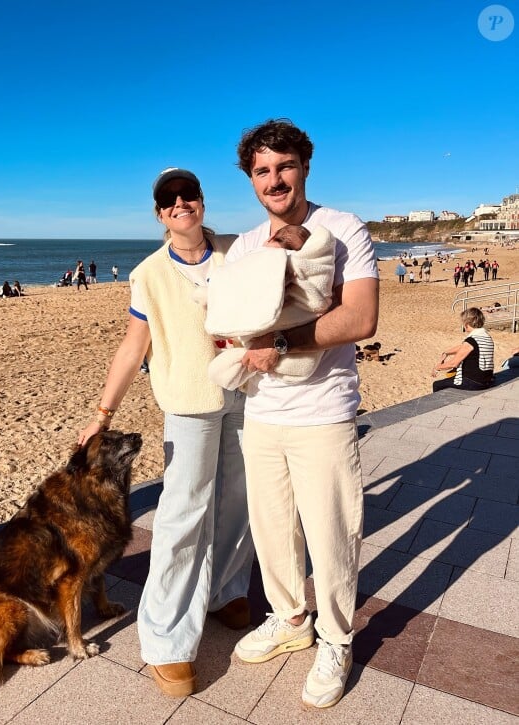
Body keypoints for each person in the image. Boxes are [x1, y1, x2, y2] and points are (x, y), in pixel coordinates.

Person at [77, 167, 254, 698]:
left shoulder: (236, 250)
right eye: (169, 200)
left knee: (236, 501)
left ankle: (226, 590)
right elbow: (134, 347)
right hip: (189, 404)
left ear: (201, 202)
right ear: (160, 214)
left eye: (188, 195)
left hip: (245, 395)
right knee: (183, 514)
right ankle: (166, 640)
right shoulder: (149, 274)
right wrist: (102, 414)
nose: (181, 204)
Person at [226, 119, 379, 709]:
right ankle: (290, 619)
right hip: (262, 410)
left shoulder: (342, 228)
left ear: (304, 167)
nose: (274, 179)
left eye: (283, 166)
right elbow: (232, 319)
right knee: (272, 530)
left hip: (323, 413)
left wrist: (282, 342)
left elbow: (360, 319)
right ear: (251, 179)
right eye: (262, 171)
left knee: (332, 533)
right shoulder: (243, 245)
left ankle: (336, 640)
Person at [204, 223, 335, 390]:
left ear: (271, 238)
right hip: (259, 399)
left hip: (326, 391)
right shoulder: (243, 243)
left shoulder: (255, 253)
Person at [431, 307, 494, 391]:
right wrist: (446, 353)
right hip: (486, 379)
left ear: (467, 324)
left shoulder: (472, 340)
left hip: (475, 382)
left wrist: (437, 367)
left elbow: (453, 363)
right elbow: (463, 347)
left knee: (437, 385)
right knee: (451, 377)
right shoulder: (485, 336)